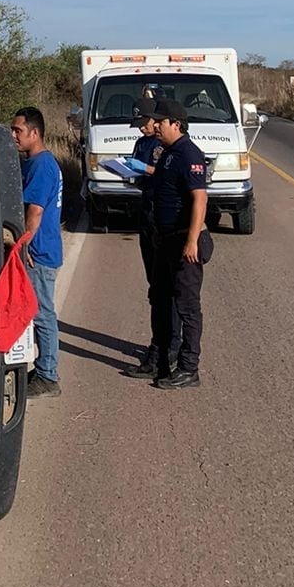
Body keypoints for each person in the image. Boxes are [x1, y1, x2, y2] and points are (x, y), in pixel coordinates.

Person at [146, 98, 214, 389]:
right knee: (161, 298)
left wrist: (192, 241)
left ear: (176, 124)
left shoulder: (189, 153)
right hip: (166, 239)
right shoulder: (169, 153)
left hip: (185, 240)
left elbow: (200, 197)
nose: (156, 127)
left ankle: (189, 368)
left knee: (187, 306)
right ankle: (162, 358)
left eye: (161, 123)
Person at [121, 97, 181, 379]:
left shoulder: (170, 146)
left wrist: (145, 170)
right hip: (148, 216)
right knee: (155, 288)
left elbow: (170, 176)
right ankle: (159, 347)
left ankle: (169, 348)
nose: (142, 129)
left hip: (166, 223)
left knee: (168, 290)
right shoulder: (143, 143)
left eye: (144, 123)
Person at [10, 107, 63, 398]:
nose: (13, 135)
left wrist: (24, 244)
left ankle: (47, 375)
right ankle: (42, 367)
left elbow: (36, 210)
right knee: (35, 311)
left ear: (35, 132)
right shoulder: (31, 162)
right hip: (38, 249)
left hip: (39, 253)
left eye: (18, 130)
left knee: (42, 313)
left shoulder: (42, 165)